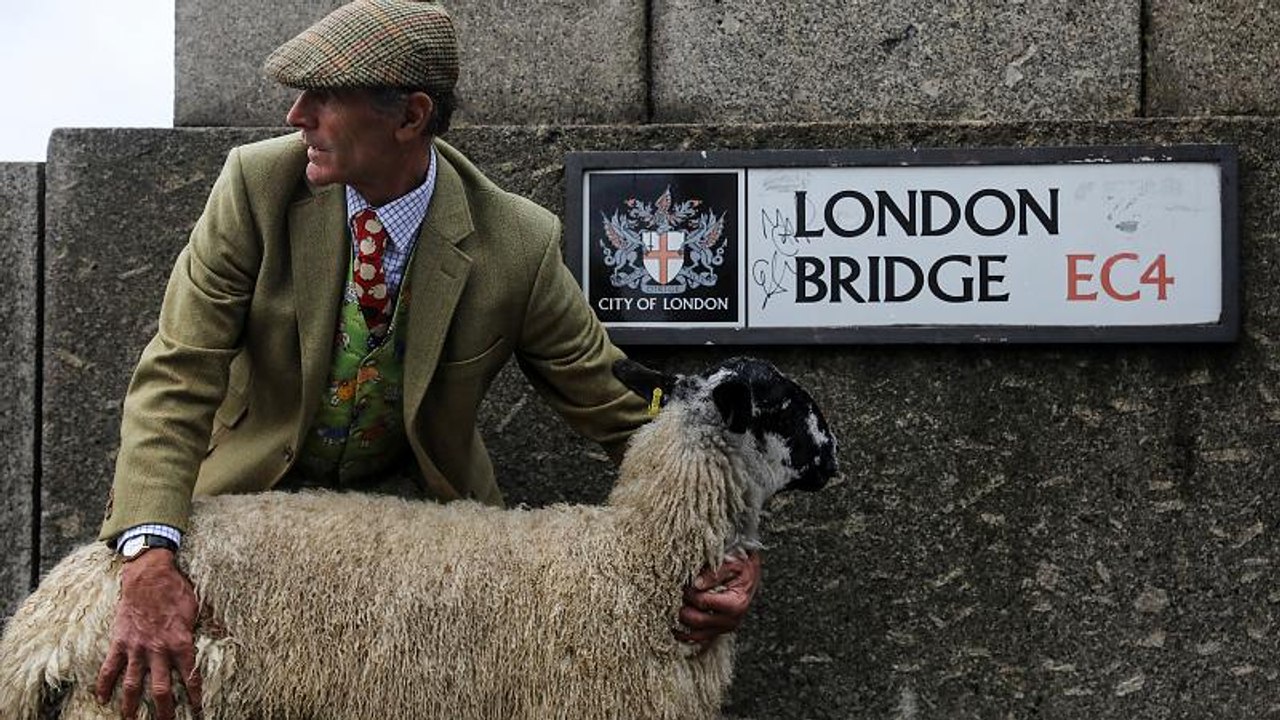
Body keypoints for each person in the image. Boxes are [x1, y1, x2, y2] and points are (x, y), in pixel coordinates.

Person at [91, 1, 761, 718]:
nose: (295, 116)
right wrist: (150, 554)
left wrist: (726, 542)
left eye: (322, 97)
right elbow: (179, 372)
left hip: (421, 550)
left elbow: (617, 405)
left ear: (410, 117)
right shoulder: (255, 187)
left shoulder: (517, 242)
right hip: (247, 512)